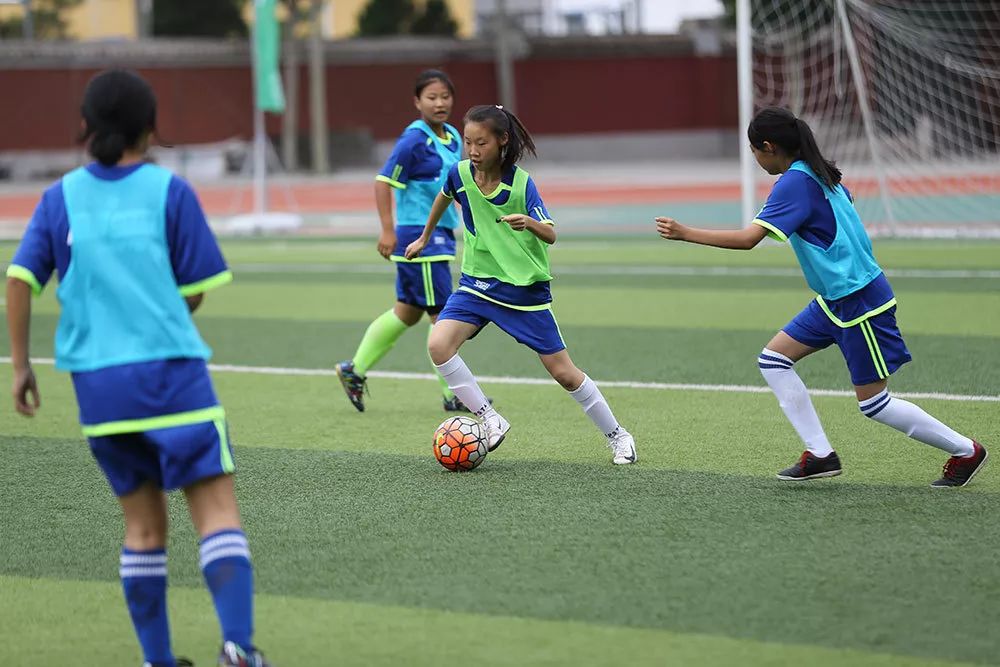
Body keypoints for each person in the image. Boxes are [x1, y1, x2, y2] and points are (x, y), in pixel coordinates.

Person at [5, 69, 271, 666]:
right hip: (172, 378)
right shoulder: (169, 191)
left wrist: (21, 366)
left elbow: (19, 280)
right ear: (151, 128)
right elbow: (195, 290)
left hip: (100, 391)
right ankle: (238, 647)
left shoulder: (60, 197)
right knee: (216, 513)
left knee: (144, 529)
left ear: (85, 126)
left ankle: (157, 659)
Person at [655, 106, 987, 487]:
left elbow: (749, 240)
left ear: (769, 147)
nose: (754, 157)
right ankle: (820, 454)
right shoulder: (818, 171)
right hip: (835, 301)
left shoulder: (794, 183)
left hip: (860, 302)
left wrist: (685, 233)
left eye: (754, 150)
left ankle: (966, 450)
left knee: (875, 404)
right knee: (773, 360)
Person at [405, 104, 637, 465]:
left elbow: (551, 234)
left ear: (502, 141)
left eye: (481, 143)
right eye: (468, 142)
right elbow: (444, 196)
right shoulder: (460, 174)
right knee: (438, 344)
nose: (473, 150)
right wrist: (424, 236)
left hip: (522, 291)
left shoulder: (521, 184)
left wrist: (529, 222)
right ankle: (489, 418)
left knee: (564, 373)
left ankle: (618, 436)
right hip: (477, 283)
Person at [335, 70, 482, 413]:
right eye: (431, 97)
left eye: (445, 96)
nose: (439, 103)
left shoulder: (453, 137)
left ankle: (354, 370)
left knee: (407, 312)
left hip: (439, 235)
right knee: (443, 317)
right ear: (417, 102)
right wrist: (388, 230)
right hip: (420, 239)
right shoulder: (414, 140)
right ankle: (453, 394)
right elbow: (383, 182)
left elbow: (455, 185)